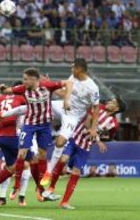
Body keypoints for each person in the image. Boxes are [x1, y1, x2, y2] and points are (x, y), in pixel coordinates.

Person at [0, 68, 72, 200]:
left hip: (44, 126)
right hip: (29, 125)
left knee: (42, 155)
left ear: (34, 79)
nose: (24, 81)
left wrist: (66, 100)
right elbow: (7, 91)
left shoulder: (47, 86)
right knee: (22, 154)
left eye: (26, 79)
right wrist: (3, 88)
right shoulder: (22, 88)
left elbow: (68, 83)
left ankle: (41, 187)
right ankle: (16, 186)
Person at [42, 97, 126, 209]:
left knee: (76, 172)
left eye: (113, 102)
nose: (109, 102)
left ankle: (64, 202)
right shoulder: (98, 106)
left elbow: (100, 132)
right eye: (111, 100)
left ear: (116, 108)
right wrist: (97, 139)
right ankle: (51, 188)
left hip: (85, 146)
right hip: (74, 138)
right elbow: (87, 123)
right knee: (63, 159)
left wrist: (97, 137)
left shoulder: (113, 123)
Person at [41, 59, 100, 187]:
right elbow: (64, 93)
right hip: (62, 106)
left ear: (80, 69)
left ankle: (48, 172)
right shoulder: (72, 77)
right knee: (39, 105)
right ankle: (6, 113)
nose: (71, 69)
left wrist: (94, 128)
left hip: (73, 116)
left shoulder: (92, 87)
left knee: (60, 142)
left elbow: (96, 108)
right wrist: (49, 84)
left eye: (73, 67)